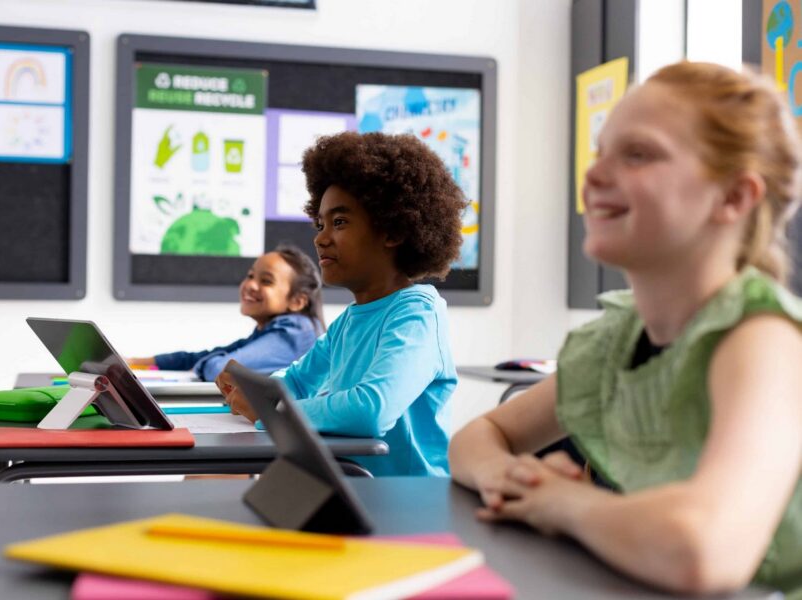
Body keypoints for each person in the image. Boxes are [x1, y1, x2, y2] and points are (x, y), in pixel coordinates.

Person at [449, 61, 802, 597]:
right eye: (600, 152)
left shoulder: (763, 338)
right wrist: (505, 476)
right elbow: (479, 436)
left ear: (734, 198)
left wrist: (562, 502)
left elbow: (706, 550)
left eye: (637, 154)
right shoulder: (614, 341)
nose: (593, 175)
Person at [217, 131, 466, 477]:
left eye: (340, 222)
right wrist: (257, 391)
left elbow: (371, 410)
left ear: (392, 231)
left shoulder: (417, 312)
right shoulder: (349, 322)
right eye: (320, 224)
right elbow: (298, 382)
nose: (320, 238)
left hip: (407, 505)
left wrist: (273, 410)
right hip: (351, 489)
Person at [129, 244, 324, 381]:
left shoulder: (295, 332)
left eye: (266, 281)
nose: (250, 285)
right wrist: (133, 362)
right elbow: (199, 357)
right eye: (250, 276)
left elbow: (220, 370)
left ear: (297, 301)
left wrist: (201, 364)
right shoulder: (271, 330)